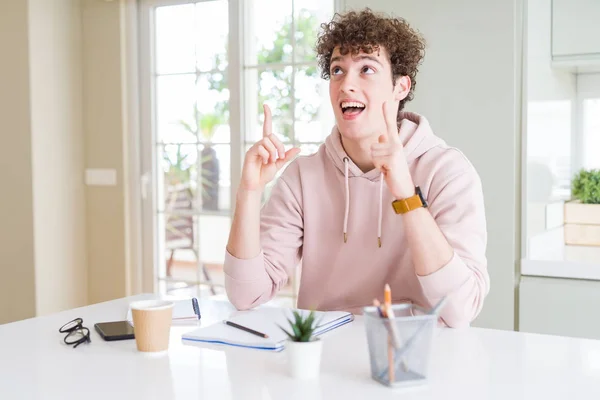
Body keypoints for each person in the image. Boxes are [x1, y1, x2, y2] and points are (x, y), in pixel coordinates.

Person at [224, 8, 489, 328]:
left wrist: (405, 192)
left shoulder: (447, 171)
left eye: (366, 68)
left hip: (409, 361)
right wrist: (249, 193)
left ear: (400, 87)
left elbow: (459, 310)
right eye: (337, 70)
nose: (346, 83)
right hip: (320, 357)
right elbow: (245, 295)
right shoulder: (302, 177)